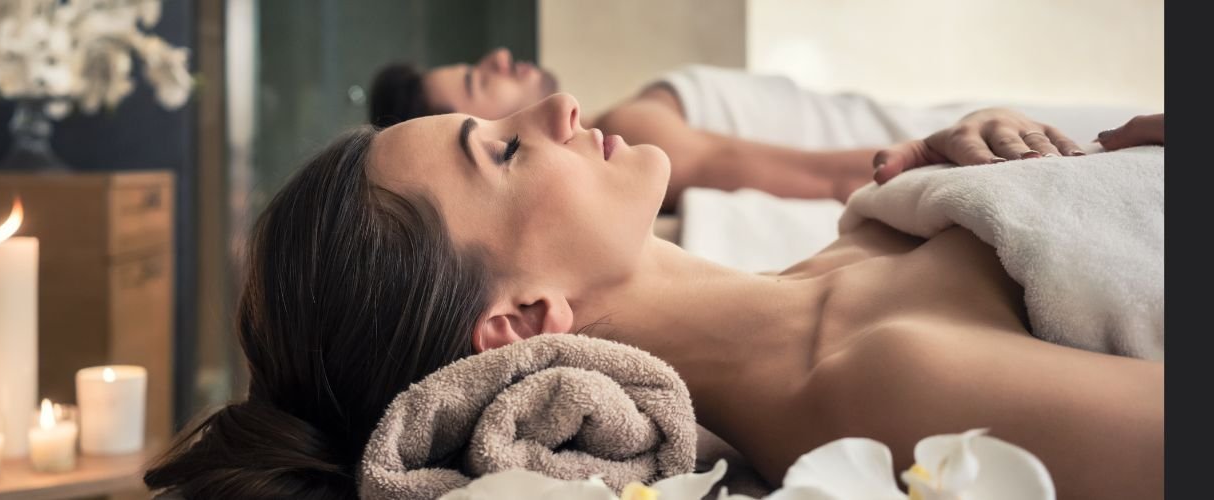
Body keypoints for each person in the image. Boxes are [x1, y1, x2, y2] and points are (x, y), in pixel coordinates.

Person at [145, 95, 1164, 500]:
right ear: (520, 317)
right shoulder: (878, 377)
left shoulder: (841, 263)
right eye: (504, 150)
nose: (556, 107)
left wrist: (1024, 170)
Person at [368, 47, 1146, 208]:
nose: (501, 58)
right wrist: (988, 156)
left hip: (985, 131)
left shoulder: (625, 122)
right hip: (1004, 153)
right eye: (479, 82)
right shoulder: (639, 137)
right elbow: (828, 176)